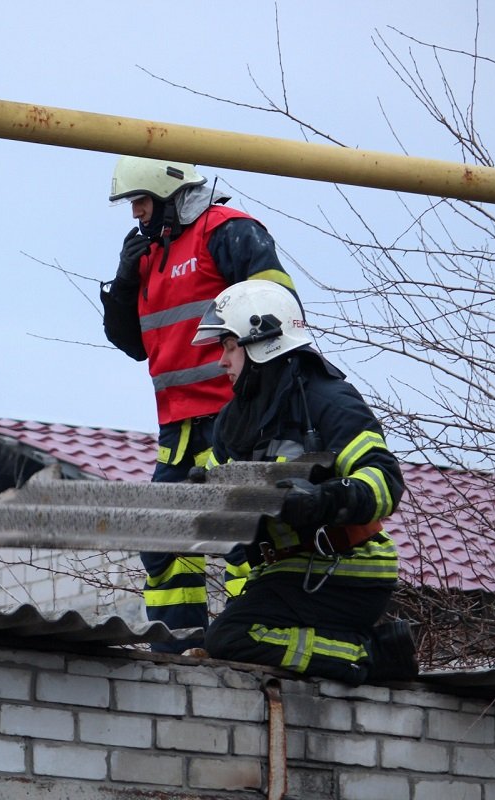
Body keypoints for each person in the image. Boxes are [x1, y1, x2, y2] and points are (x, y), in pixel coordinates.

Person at [99, 155, 298, 653]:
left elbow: (279, 308)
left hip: (237, 419)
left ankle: (247, 644)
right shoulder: (147, 254)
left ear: (166, 195)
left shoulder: (227, 231)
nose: (135, 214)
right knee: (162, 542)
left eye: (140, 201)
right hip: (178, 426)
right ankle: (179, 650)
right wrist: (124, 285)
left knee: (244, 541)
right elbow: (132, 343)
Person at [191, 280, 418, 684]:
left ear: (262, 340)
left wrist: (321, 501)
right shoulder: (233, 420)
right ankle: (347, 646)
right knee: (221, 637)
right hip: (285, 571)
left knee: (231, 637)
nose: (222, 361)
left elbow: (385, 480)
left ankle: (367, 655)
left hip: (346, 566)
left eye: (229, 345)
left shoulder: (328, 399)